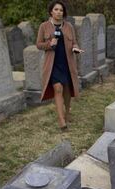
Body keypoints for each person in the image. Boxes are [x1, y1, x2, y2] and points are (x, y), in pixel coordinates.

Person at [36, 1, 84, 130]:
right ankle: (61, 120)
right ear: (51, 11)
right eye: (56, 9)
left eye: (61, 10)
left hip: (67, 62)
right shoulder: (44, 26)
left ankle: (67, 113)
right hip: (53, 63)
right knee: (58, 88)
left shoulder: (69, 26)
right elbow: (38, 44)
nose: (59, 12)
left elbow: (74, 42)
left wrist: (75, 49)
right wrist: (49, 44)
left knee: (67, 90)